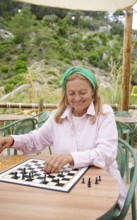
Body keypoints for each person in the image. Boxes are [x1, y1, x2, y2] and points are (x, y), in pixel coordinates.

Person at [0, 66, 126, 211]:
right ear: (65, 94)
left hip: (102, 186)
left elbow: (106, 154)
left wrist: (70, 157)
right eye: (71, 93)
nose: (77, 98)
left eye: (83, 92)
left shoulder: (104, 113)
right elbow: (36, 139)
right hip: (67, 184)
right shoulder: (57, 116)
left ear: (93, 91)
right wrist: (12, 140)